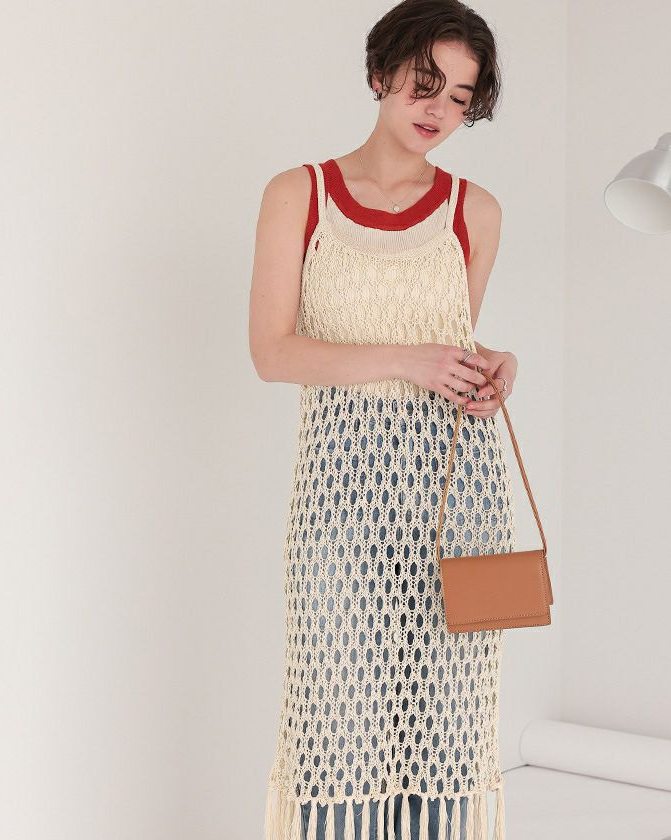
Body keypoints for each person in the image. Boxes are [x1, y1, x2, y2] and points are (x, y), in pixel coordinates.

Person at [249, 1, 519, 837]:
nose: (439, 109)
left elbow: (450, 347)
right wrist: (407, 359)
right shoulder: (300, 195)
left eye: (460, 96)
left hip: (458, 495)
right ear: (379, 74)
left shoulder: (476, 211)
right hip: (343, 492)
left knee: (448, 724)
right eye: (423, 83)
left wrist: (491, 368)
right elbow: (273, 353)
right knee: (339, 719)